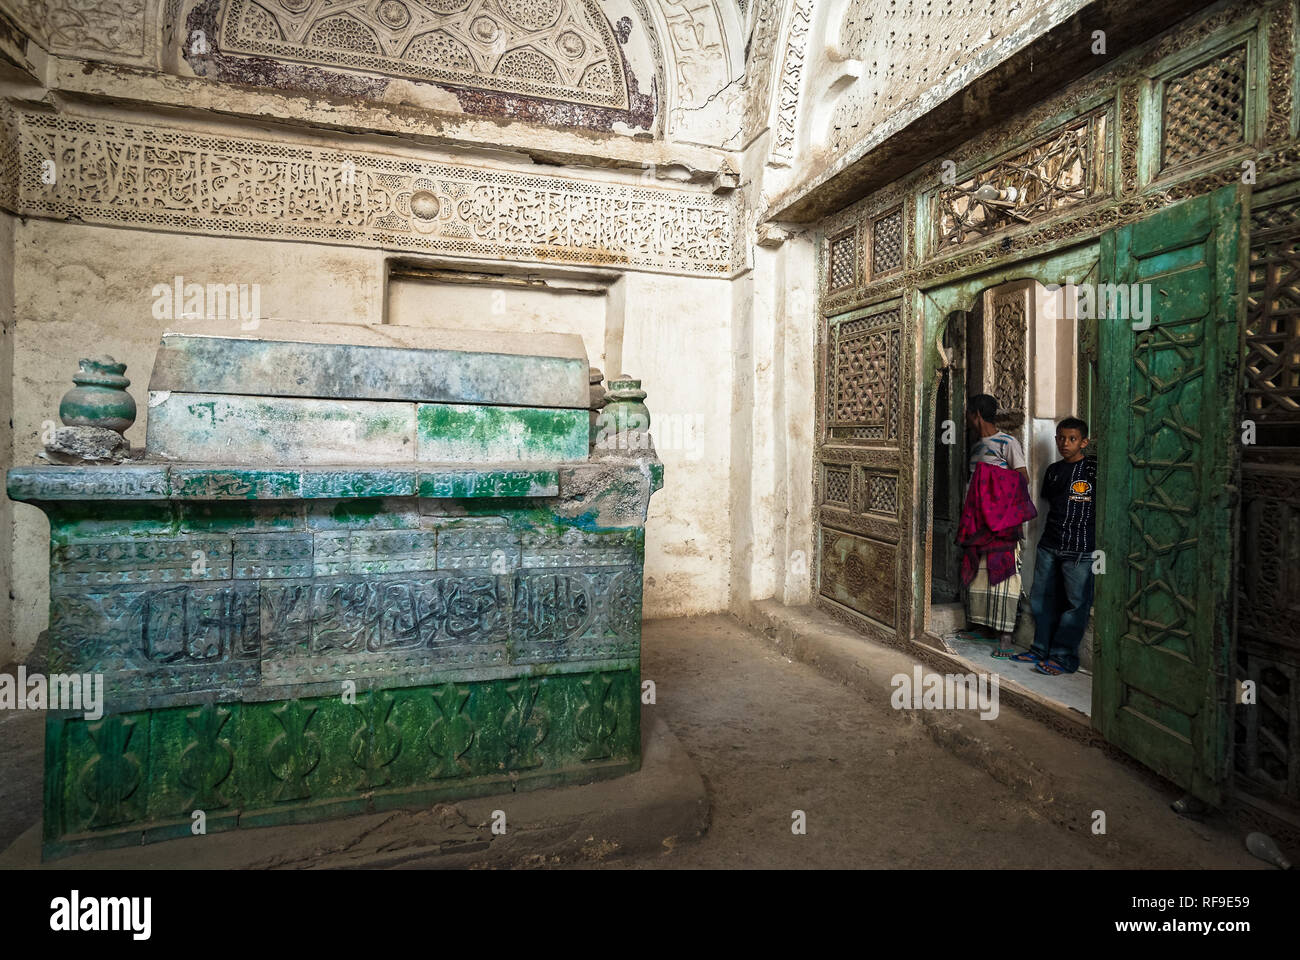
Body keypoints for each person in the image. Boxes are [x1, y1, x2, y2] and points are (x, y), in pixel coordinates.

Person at [1011, 416, 1097, 676]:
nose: (1064, 443)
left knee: (1075, 604)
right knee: (1041, 598)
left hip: (1080, 548)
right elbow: (1050, 503)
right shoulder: (1054, 471)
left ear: (1084, 442)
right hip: (1050, 543)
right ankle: (1039, 648)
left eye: (1072, 439)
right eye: (1060, 438)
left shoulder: (1094, 471)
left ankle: (1063, 657)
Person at [955, 394, 1034, 658]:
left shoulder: (1007, 443)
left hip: (1000, 524)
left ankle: (1006, 636)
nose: (967, 418)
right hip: (978, 523)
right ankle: (983, 627)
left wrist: (989, 479)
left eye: (968, 413)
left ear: (976, 414)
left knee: (1004, 576)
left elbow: (1023, 478)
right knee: (980, 575)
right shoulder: (976, 447)